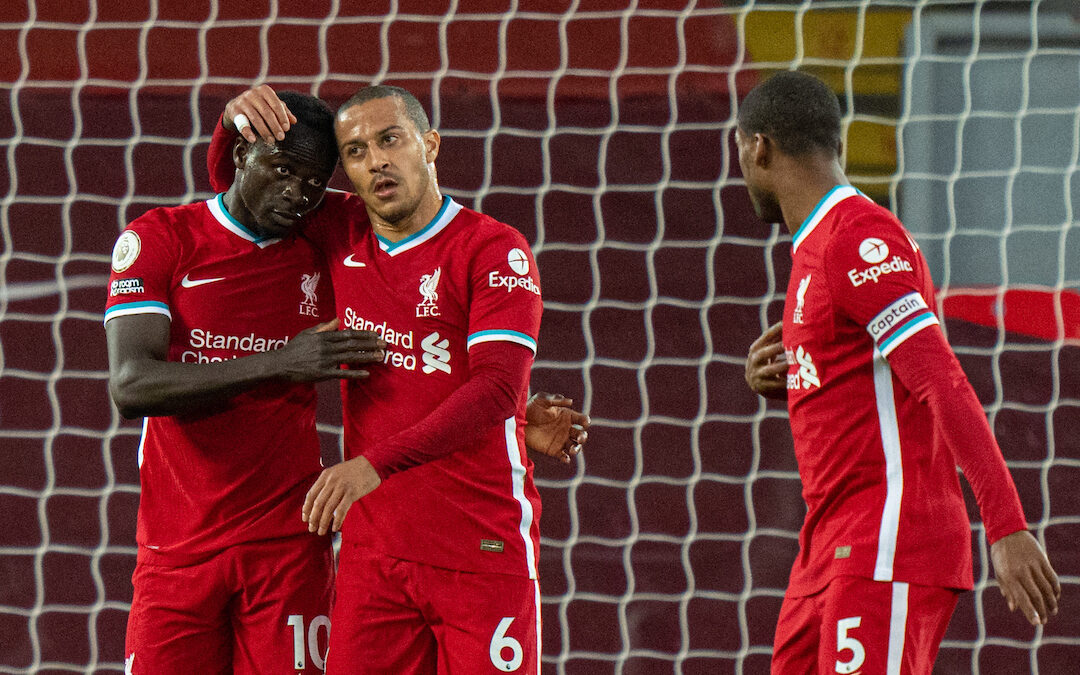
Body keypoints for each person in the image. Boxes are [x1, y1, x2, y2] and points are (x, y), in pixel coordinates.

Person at [109, 90, 585, 674]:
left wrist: (499, 416)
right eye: (357, 151)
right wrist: (232, 118)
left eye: (390, 140)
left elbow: (493, 389)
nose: (376, 161)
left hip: (460, 547)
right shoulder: (332, 231)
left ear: (430, 145)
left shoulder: (485, 248)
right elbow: (243, 194)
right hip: (356, 553)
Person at [737, 71, 1060, 674]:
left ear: (759, 147)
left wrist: (1006, 525)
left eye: (741, 154)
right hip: (829, 548)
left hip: (885, 540)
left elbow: (942, 381)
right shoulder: (814, 248)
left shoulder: (858, 238)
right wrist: (783, 373)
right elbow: (861, 383)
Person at [105, 91, 386, 674]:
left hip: (288, 545)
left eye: (314, 182)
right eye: (282, 170)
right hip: (177, 548)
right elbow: (132, 386)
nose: (297, 194)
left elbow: (414, 321)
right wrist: (281, 362)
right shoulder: (163, 237)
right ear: (239, 155)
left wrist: (510, 408)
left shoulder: (321, 244)